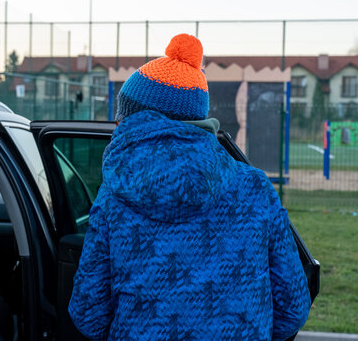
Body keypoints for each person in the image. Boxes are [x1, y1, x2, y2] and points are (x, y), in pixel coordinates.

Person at [68, 34, 311, 340]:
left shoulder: (114, 197)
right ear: (201, 120)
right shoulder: (255, 189)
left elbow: (88, 314)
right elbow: (293, 307)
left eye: (122, 117)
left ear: (135, 121)